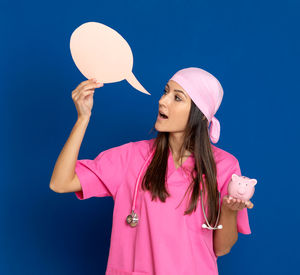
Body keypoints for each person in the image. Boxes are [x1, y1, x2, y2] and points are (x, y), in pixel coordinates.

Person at [49, 67, 254, 275]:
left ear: (200, 114)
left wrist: (229, 210)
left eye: (177, 98)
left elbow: (222, 248)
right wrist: (83, 118)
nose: (162, 101)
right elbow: (60, 182)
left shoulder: (224, 165)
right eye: (165, 92)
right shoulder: (130, 157)